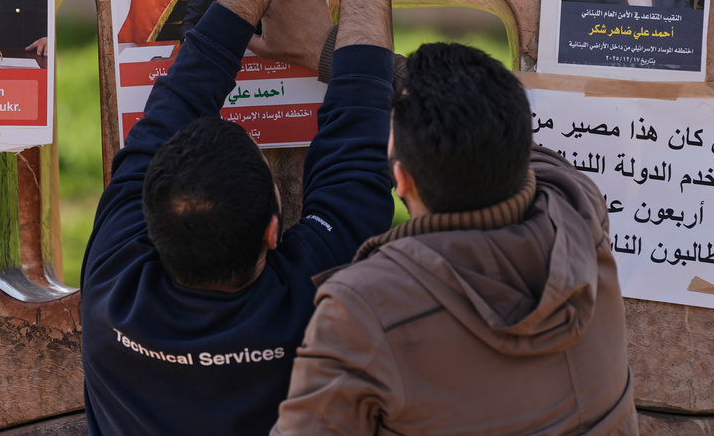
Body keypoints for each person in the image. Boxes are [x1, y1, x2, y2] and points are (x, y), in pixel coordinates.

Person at [81, 0, 419, 435]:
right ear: (272, 231)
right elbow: (357, 127)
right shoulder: (314, 312)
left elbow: (182, 94)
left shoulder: (112, 292)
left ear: (150, 221)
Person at [272, 43, 638, 435]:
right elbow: (485, 121)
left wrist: (334, 51)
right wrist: (327, 46)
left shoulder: (365, 306)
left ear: (401, 182)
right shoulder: (577, 201)